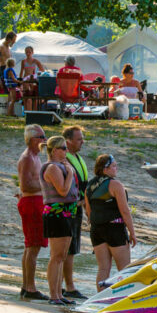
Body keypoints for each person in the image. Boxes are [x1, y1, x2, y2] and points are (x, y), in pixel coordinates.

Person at [84, 154, 138, 287]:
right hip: (114, 229)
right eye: (113, 166)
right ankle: (124, 300)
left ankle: (99, 300)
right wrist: (132, 233)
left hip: (96, 229)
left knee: (103, 269)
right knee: (125, 269)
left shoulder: (89, 186)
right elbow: (125, 211)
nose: (116, 168)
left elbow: (88, 212)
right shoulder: (115, 185)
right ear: (105, 169)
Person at [40, 135, 79, 305]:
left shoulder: (60, 165)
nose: (66, 151)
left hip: (67, 213)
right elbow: (62, 191)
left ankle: (59, 293)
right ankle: (53, 295)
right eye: (63, 148)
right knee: (56, 256)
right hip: (56, 214)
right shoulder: (52, 168)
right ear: (54, 150)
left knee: (63, 255)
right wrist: (70, 172)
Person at [16, 124, 48, 301]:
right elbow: (25, 185)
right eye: (42, 137)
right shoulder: (28, 157)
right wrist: (47, 185)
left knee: (31, 246)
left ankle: (26, 285)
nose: (44, 140)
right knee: (33, 246)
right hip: (31, 202)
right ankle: (30, 287)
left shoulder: (35, 157)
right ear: (32, 139)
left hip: (34, 201)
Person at [61, 125, 89, 300]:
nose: (82, 142)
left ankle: (68, 285)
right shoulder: (65, 160)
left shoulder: (76, 158)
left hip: (78, 208)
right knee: (68, 250)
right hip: (69, 209)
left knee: (73, 249)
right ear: (68, 141)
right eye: (79, 139)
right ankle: (68, 286)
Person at [0, 31, 17, 101]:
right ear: (9, 39)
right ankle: (5, 110)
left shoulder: (8, 48)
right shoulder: (1, 47)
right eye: (13, 41)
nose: (14, 42)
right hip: (3, 70)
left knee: (10, 93)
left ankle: (8, 110)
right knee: (5, 92)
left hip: (8, 71)